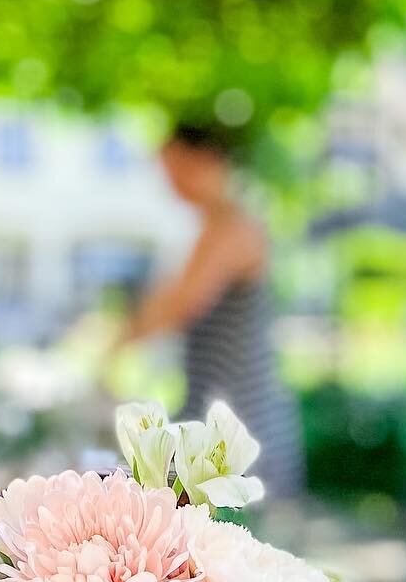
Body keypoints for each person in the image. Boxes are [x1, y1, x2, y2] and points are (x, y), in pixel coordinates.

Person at [119, 123, 303, 496]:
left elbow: (179, 303)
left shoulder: (230, 228)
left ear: (207, 160)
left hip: (241, 424)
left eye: (175, 168)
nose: (170, 184)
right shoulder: (218, 226)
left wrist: (108, 346)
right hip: (218, 412)